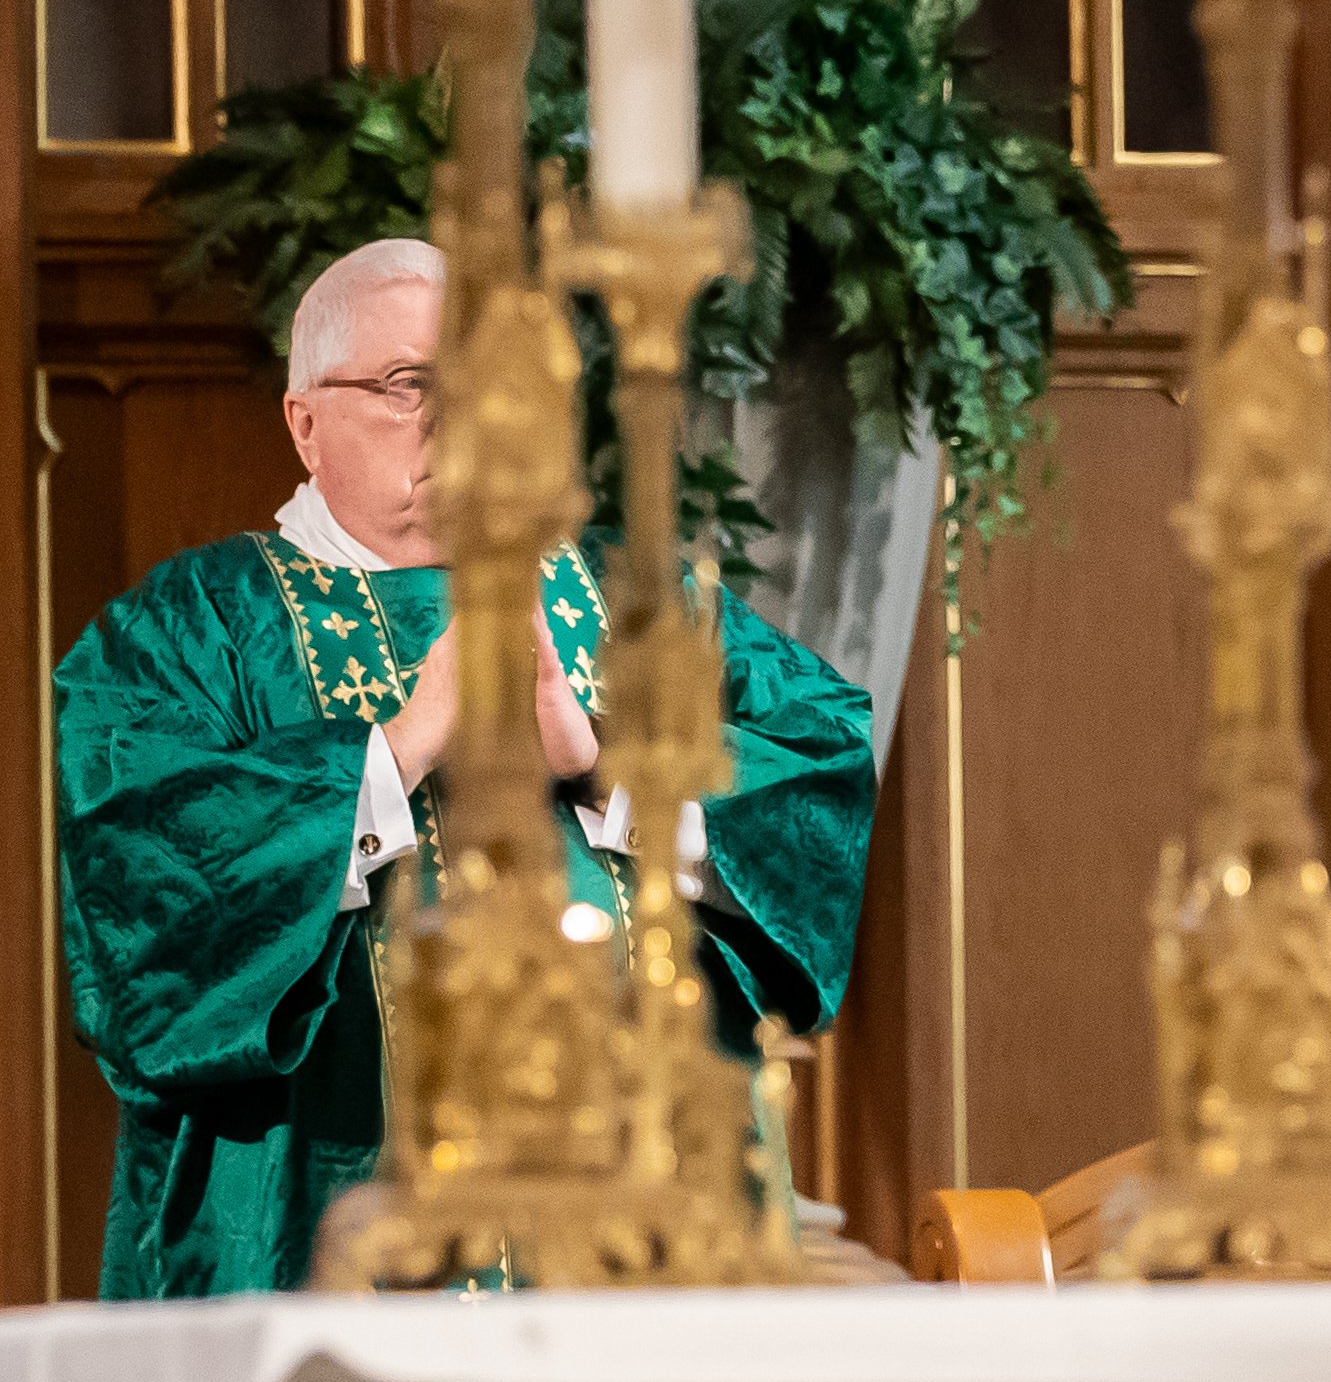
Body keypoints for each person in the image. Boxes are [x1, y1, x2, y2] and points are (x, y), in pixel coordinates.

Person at [54, 237, 878, 1296]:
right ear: (305, 423)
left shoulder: (643, 601)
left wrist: (602, 764)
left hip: (641, 1242)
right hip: (317, 1235)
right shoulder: (187, 631)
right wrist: (399, 748)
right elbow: (143, 905)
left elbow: (821, 773)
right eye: (408, 384)